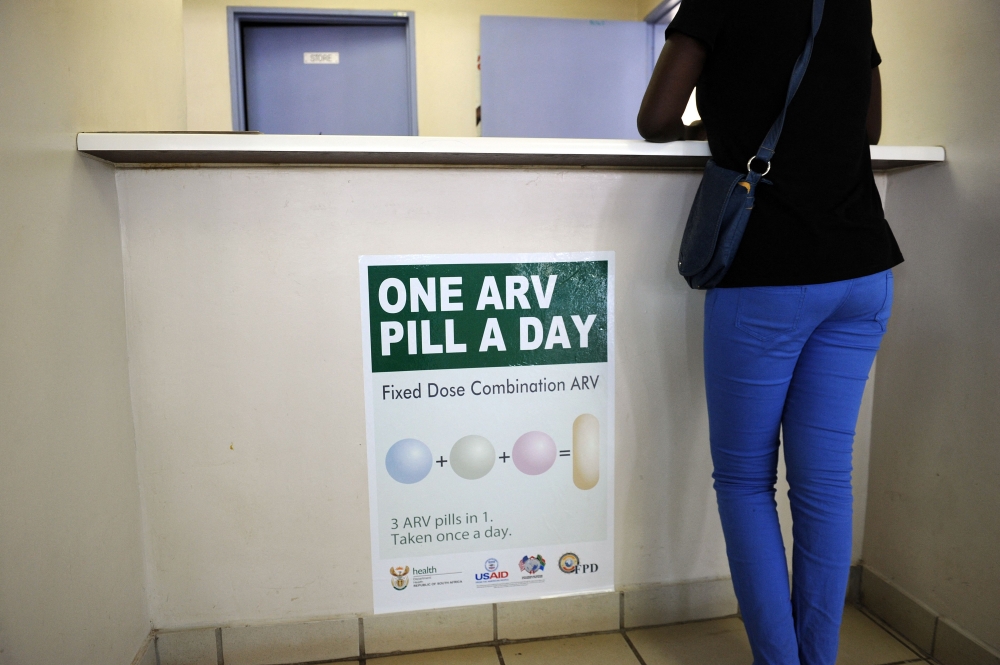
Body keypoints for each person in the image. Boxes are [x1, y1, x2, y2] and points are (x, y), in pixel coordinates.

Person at [637, 2, 903, 664]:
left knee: (745, 480)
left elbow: (655, 120)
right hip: (863, 270)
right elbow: (868, 123)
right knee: (824, 483)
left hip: (766, 271)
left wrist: (716, 120)